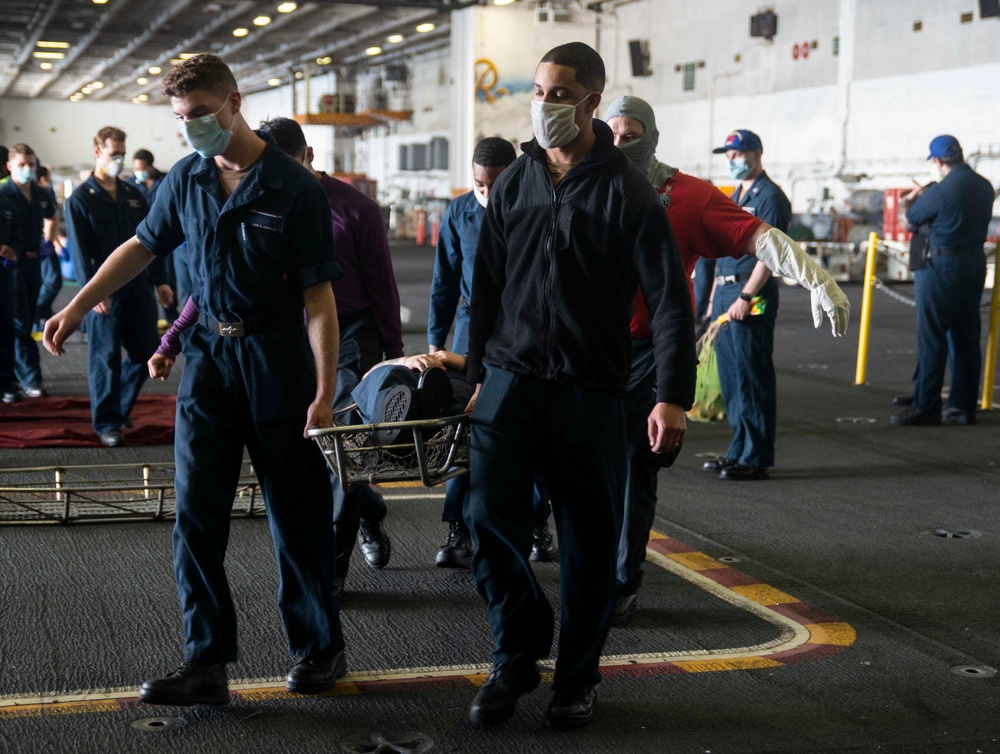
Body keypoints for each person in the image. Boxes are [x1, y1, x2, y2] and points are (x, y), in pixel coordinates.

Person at [44, 54, 346, 705]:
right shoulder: (185, 178)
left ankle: (319, 646)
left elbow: (318, 297)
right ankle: (205, 662)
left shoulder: (295, 188)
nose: (192, 127)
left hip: (276, 361)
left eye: (201, 114)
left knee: (296, 516)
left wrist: (325, 391)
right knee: (196, 516)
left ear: (234, 102)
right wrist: (78, 303)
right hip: (209, 362)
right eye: (182, 118)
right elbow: (142, 246)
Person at [464, 42, 696, 731]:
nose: (544, 105)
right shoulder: (516, 181)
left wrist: (672, 394)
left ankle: (576, 679)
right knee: (486, 521)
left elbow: (670, 299)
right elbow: (486, 288)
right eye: (538, 92)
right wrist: (476, 378)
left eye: (559, 94)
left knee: (589, 544)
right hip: (508, 381)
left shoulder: (628, 191)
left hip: (590, 389)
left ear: (592, 102)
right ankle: (516, 653)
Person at [605, 96, 849, 623]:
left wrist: (816, 277)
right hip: (582, 351)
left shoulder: (688, 196)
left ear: (653, 137)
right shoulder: (579, 181)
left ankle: (622, 578)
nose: (620, 144)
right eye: (614, 134)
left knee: (634, 468)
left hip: (647, 351)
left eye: (632, 134)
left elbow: (758, 237)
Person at [256, 116, 403, 597]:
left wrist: (394, 357)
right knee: (302, 450)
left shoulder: (357, 209)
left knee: (342, 447)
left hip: (352, 335)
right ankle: (369, 510)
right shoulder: (263, 200)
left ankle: (332, 566)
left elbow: (382, 284)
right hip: (287, 334)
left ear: (309, 156)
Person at [428, 137, 555, 569]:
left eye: (494, 184)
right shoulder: (459, 212)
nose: (486, 192)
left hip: (521, 326)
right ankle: (458, 528)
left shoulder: (535, 205)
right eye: (479, 184)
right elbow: (444, 280)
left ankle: (536, 522)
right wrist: (436, 341)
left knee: (531, 426)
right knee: (461, 429)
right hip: (472, 328)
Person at [65, 126, 172, 447]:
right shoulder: (80, 199)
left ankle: (120, 407)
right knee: (105, 358)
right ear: (97, 152)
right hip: (103, 290)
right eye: (114, 154)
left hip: (138, 285)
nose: (120, 160)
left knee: (147, 350)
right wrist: (90, 294)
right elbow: (80, 253)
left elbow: (151, 241)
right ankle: (107, 423)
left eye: (122, 155)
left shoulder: (133, 194)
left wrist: (161, 279)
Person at [701, 129, 792, 481]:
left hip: (751, 294)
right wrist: (714, 299)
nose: (733, 161)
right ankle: (738, 449)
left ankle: (755, 456)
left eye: (738, 155)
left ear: (757, 154)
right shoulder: (736, 196)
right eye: (729, 156)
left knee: (752, 374)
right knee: (732, 376)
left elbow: (771, 255)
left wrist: (746, 296)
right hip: (727, 292)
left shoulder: (770, 197)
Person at [892, 135, 994, 426]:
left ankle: (926, 406)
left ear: (937, 161)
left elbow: (908, 221)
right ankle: (962, 407)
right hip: (974, 264)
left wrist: (907, 201)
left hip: (941, 266)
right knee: (966, 337)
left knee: (932, 336)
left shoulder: (940, 191)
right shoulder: (984, 186)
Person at [0, 143, 56, 398]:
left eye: (31, 164)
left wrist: (48, 241)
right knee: (19, 323)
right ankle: (28, 378)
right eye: (21, 165)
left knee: (28, 318)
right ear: (10, 166)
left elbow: (51, 216)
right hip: (9, 268)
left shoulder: (42, 194)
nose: (27, 169)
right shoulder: (3, 194)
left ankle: (18, 376)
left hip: (34, 264)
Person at [33, 166, 67, 331]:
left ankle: (44, 316)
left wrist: (56, 240)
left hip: (46, 242)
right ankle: (34, 314)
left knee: (45, 281)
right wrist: (53, 242)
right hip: (42, 243)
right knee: (53, 280)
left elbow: (51, 220)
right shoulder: (34, 196)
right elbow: (42, 224)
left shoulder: (44, 194)